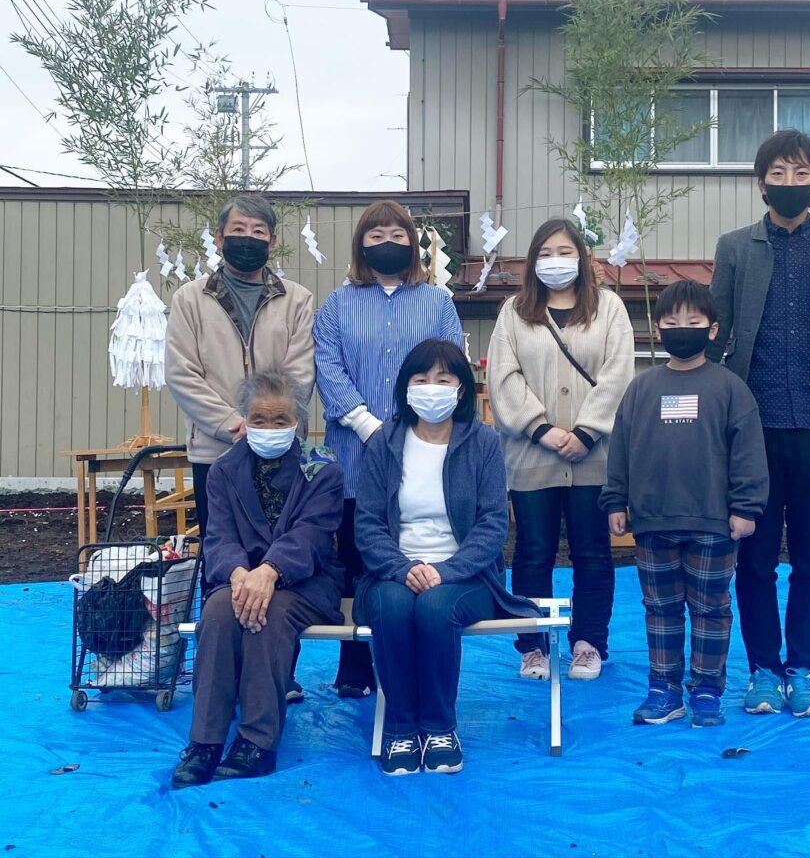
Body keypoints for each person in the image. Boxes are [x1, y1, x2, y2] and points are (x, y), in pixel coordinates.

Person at [708, 129, 810, 717]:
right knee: (752, 561)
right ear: (760, 183)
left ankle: (804, 669)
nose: (789, 183)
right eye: (778, 174)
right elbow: (716, 333)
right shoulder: (734, 247)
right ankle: (761, 670)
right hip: (751, 431)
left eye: (801, 174)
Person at [353, 339, 539, 776]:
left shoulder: (484, 443)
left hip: (467, 577)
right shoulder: (384, 442)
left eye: (443, 379)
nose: (431, 388)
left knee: (436, 607)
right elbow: (367, 524)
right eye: (421, 379)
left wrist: (444, 571)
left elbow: (494, 524)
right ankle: (400, 728)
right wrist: (403, 569)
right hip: (391, 574)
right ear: (405, 387)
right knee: (393, 604)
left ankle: (439, 727)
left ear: (460, 388)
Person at [601, 280, 768, 728]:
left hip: (714, 522)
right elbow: (620, 448)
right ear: (658, 330)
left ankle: (708, 689)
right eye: (672, 322)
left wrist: (746, 507)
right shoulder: (641, 389)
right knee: (660, 608)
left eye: (693, 322)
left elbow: (749, 452)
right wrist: (615, 499)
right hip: (653, 521)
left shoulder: (730, 389)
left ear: (713, 330)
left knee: (711, 607)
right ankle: (663, 688)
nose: (682, 329)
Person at [314, 200, 463, 699]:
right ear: (360, 244)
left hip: (422, 450)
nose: (386, 241)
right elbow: (328, 366)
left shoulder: (437, 302)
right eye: (375, 234)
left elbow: (450, 367)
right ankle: (356, 664)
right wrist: (367, 424)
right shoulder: (336, 304)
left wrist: (408, 429)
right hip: (356, 457)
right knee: (359, 557)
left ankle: (413, 657)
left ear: (412, 242)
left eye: (396, 232)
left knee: (414, 553)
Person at [171, 372, 344, 788]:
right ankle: (205, 741)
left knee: (270, 613)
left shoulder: (323, 469)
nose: (268, 428)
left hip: (305, 583)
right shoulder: (224, 470)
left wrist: (270, 571)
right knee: (216, 612)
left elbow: (313, 537)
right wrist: (239, 574)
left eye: (280, 420)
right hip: (240, 578)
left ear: (298, 423)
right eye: (259, 420)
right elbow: (219, 536)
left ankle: (257, 741)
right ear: (244, 420)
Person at [486, 218, 634, 681]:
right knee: (533, 551)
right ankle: (533, 645)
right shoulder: (514, 311)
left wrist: (587, 431)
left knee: (593, 551)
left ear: (582, 258)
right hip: (532, 456)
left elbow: (618, 372)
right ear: (533, 261)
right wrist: (541, 428)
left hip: (595, 459)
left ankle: (589, 642)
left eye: (565, 251)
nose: (555, 260)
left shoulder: (608, 308)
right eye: (545, 252)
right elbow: (503, 377)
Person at [165, 194, 315, 546]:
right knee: (222, 548)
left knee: (282, 546)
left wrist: (268, 424)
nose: (248, 238)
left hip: (280, 447)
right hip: (214, 450)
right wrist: (234, 424)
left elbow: (300, 371)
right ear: (219, 237)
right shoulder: (190, 299)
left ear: (272, 241)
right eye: (238, 229)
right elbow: (181, 372)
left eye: (258, 231)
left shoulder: (297, 299)